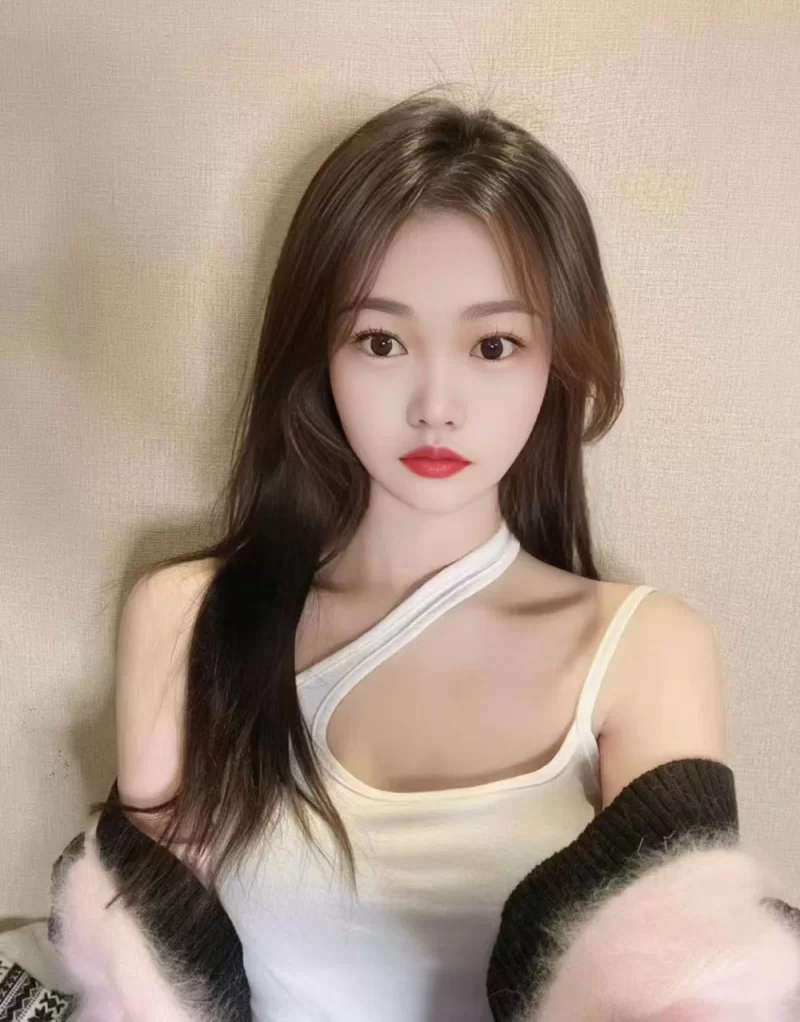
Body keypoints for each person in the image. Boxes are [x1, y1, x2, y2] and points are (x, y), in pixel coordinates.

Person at [46, 87, 800, 1022]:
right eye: (381, 340)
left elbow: (690, 989)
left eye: (493, 344)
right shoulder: (187, 621)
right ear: (317, 353)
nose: (436, 404)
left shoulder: (647, 649)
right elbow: (146, 989)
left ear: (558, 357)